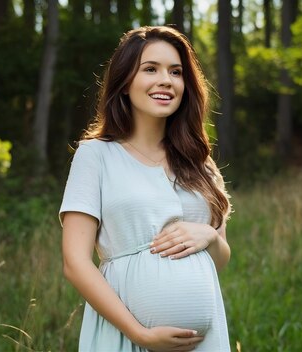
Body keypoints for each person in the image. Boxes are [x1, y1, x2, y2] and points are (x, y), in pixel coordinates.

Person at [60, 26, 232, 352]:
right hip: (126, 336)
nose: (166, 80)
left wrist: (208, 237)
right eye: (150, 69)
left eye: (176, 72)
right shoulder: (96, 155)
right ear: (125, 83)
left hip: (203, 344)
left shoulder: (200, 163)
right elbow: (75, 262)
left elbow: (220, 258)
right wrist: (140, 334)